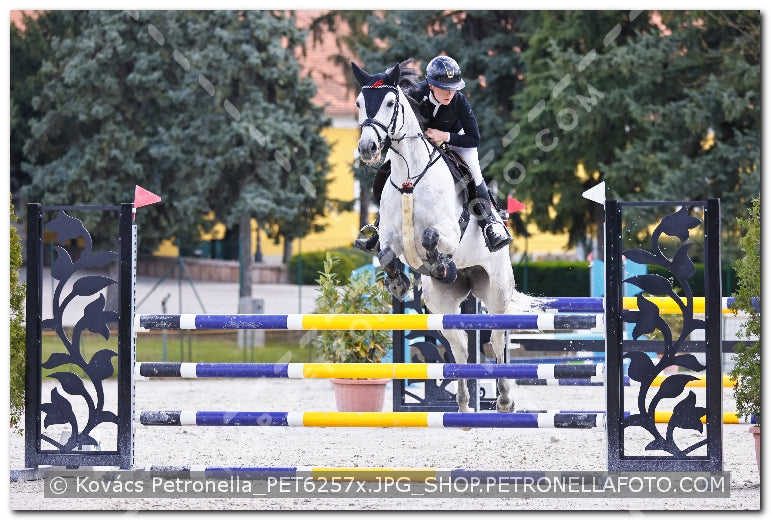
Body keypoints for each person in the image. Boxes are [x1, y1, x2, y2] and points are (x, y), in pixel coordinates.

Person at [354, 55, 512, 254]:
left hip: (456, 140)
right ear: (430, 85)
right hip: (419, 143)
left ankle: (489, 225)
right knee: (388, 169)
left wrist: (444, 136)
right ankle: (379, 227)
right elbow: (393, 123)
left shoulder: (460, 101)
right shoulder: (415, 94)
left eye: (453, 87)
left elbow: (474, 138)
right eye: (444, 88)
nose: (450, 93)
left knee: (475, 173)